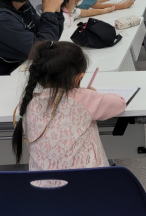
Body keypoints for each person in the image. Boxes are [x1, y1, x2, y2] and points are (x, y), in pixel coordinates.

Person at [12, 41, 126, 180]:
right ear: (78, 77)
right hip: (88, 187)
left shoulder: (27, 103)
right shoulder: (83, 98)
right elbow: (119, 103)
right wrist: (92, 94)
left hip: (43, 192)